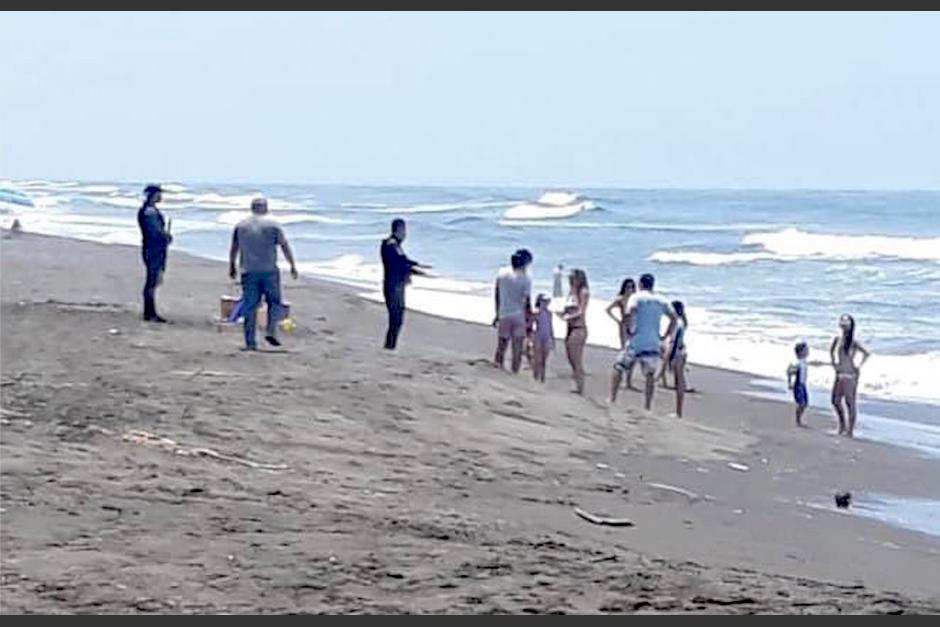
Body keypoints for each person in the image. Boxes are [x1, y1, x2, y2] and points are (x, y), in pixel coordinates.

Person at [228, 197, 298, 351]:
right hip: (269, 270)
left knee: (250, 306)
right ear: (265, 208)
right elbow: (284, 246)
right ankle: (270, 330)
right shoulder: (273, 225)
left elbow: (234, 248)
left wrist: (232, 266)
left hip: (248, 270)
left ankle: (250, 342)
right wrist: (292, 264)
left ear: (252, 208)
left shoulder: (241, 225)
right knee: (274, 302)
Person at [609, 273, 677, 411]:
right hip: (653, 341)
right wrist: (665, 335)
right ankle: (647, 405)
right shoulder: (661, 299)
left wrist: (629, 329)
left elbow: (629, 312)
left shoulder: (636, 297)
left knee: (619, 366)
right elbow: (674, 318)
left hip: (637, 340)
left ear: (640, 284)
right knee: (649, 374)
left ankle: (612, 398)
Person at [380, 218, 429, 350]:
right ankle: (389, 347)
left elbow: (404, 260)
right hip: (393, 285)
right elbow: (398, 264)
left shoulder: (395, 245)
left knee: (398, 317)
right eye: (403, 230)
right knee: (396, 318)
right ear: (398, 230)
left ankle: (390, 346)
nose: (405, 234)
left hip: (397, 285)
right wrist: (415, 271)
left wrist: (417, 265)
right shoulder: (390, 244)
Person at [829, 314, 870, 437]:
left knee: (850, 402)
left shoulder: (853, 342)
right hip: (840, 373)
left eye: (846, 325)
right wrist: (834, 363)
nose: (844, 328)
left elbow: (866, 353)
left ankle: (849, 430)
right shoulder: (837, 339)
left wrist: (858, 366)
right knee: (835, 400)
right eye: (843, 325)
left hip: (850, 374)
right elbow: (831, 351)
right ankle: (842, 425)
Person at [137, 184, 172, 322]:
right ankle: (150, 313)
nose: (161, 196)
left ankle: (150, 312)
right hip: (154, 249)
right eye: (159, 194)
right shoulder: (150, 212)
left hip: (151, 248)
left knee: (152, 280)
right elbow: (155, 232)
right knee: (152, 281)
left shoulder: (146, 210)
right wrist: (166, 237)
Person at [493, 250, 533, 372]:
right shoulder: (526, 278)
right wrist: (529, 318)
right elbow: (526, 301)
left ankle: (498, 366)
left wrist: (497, 313)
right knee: (517, 348)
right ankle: (514, 371)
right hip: (518, 315)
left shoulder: (502, 273)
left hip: (504, 313)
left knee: (502, 345)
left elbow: (497, 294)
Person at [557, 268, 589, 394]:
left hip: (578, 328)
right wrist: (561, 313)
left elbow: (581, 311)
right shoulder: (571, 292)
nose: (570, 280)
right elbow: (568, 308)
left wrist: (567, 317)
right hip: (569, 327)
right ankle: (576, 384)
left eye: (572, 278)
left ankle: (580, 387)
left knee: (577, 359)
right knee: (570, 358)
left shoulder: (583, 292)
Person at [605, 277, 638, 389]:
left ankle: (629, 380)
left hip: (635, 327)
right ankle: (621, 377)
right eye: (628, 287)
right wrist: (617, 321)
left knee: (634, 355)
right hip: (624, 327)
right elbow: (608, 309)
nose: (630, 289)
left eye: (632, 287)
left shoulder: (636, 299)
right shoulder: (620, 299)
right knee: (625, 353)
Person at [660, 300, 689, 417]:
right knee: (679, 380)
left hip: (676, 352)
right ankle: (679, 411)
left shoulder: (676, 323)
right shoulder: (683, 322)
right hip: (682, 351)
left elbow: (673, 341)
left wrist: (669, 358)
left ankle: (678, 412)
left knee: (679, 380)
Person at [531, 293, 555, 383]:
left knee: (544, 360)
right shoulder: (536, 313)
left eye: (547, 301)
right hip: (538, 336)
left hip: (547, 337)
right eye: (544, 301)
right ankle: (535, 377)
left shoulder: (549, 313)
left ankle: (542, 378)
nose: (546, 302)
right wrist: (530, 338)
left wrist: (553, 339)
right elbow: (531, 325)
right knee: (537, 359)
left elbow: (551, 327)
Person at [787, 341, 810, 427]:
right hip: (799, 385)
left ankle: (799, 419)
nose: (807, 351)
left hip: (803, 385)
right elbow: (790, 372)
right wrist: (789, 383)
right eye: (806, 350)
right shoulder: (798, 363)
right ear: (801, 352)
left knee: (805, 403)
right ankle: (798, 420)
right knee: (802, 403)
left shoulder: (804, 361)